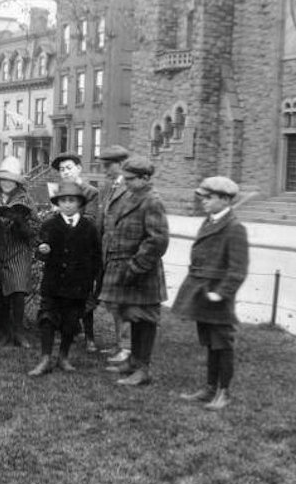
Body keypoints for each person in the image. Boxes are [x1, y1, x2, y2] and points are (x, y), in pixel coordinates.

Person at [172, 176, 250, 410]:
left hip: (217, 295)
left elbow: (237, 269)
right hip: (202, 291)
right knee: (209, 341)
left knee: (222, 343)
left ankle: (223, 392)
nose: (203, 202)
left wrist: (222, 293)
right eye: (202, 197)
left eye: (209, 198)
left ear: (225, 200)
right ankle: (209, 387)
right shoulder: (209, 222)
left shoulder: (235, 228)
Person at [99, 156, 170, 386]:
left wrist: (135, 267)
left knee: (145, 319)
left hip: (142, 273)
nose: (125, 182)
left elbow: (157, 241)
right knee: (133, 316)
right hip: (129, 272)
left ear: (145, 178)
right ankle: (133, 361)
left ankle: (143, 369)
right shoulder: (133, 196)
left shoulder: (152, 201)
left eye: (130, 179)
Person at [28, 182, 102, 376]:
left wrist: (93, 282)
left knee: (71, 320)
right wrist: (42, 251)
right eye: (63, 201)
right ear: (57, 203)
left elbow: (96, 257)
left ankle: (63, 356)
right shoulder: (50, 224)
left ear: (80, 204)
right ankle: (45, 358)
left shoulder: (89, 227)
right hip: (53, 283)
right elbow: (39, 250)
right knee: (47, 318)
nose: (68, 205)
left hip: (78, 285)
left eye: (72, 201)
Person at [0, 156, 39, 348]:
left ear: (17, 181)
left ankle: (18, 332)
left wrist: (20, 221)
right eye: (3, 179)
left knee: (17, 290)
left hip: (18, 251)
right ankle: (3, 331)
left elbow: (36, 229)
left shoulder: (26, 200)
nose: (6, 182)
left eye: (11, 179)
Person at [49, 152, 101, 353]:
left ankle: (89, 336)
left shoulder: (90, 191)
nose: (65, 172)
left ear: (79, 168)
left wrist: (67, 214)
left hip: (82, 249)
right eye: (61, 169)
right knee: (61, 291)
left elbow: (91, 218)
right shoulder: (58, 191)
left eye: (69, 167)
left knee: (83, 293)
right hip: (62, 248)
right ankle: (67, 331)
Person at [96, 145, 132, 365]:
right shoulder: (109, 187)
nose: (106, 170)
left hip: (123, 254)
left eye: (109, 166)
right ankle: (119, 343)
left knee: (124, 303)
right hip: (108, 252)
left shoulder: (130, 189)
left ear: (121, 165)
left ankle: (127, 347)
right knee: (114, 302)